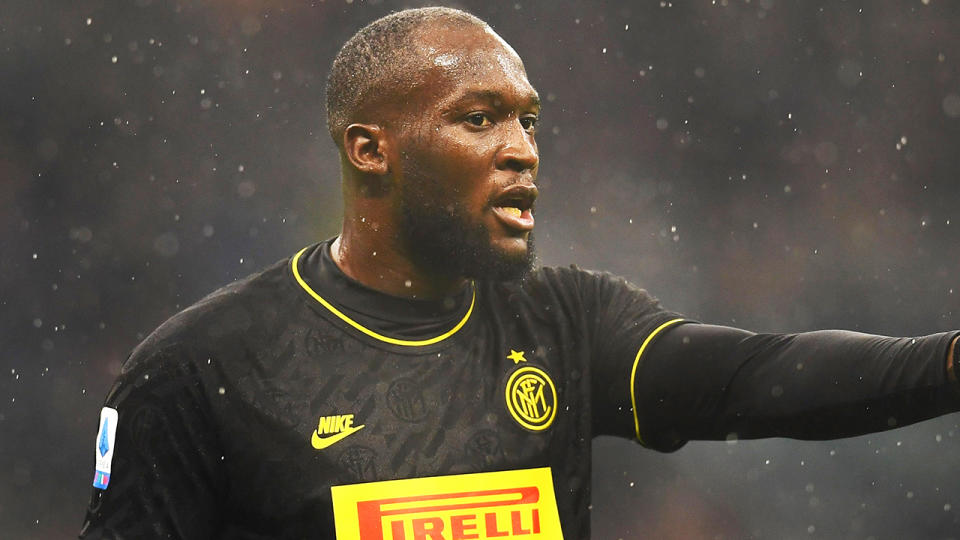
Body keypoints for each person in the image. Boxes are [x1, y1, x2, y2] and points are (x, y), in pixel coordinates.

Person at [79, 7, 960, 539]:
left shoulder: (566, 324)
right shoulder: (203, 368)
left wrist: (949, 363)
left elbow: (754, 379)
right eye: (479, 118)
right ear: (370, 150)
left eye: (530, 122)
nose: (522, 152)